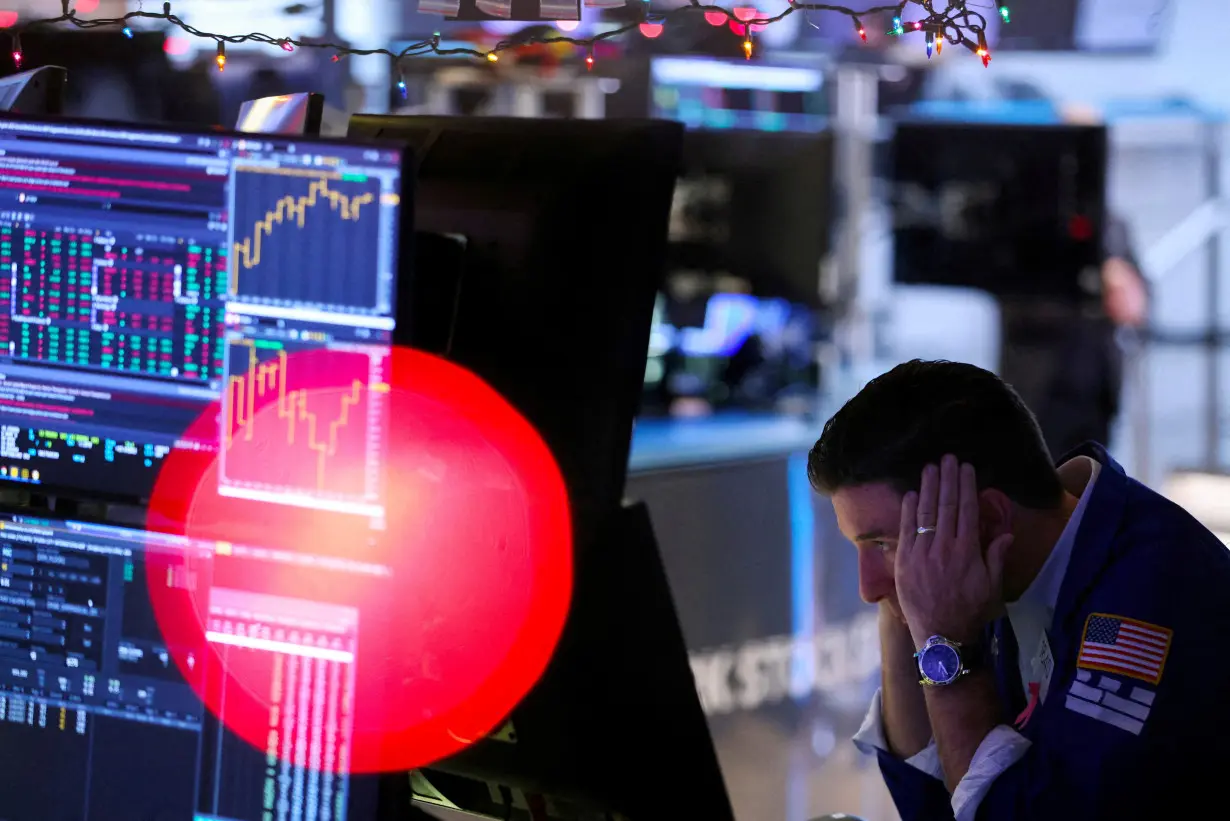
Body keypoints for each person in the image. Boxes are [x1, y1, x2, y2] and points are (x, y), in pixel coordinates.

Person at [806, 359, 1230, 820]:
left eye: (884, 544)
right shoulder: (1014, 564)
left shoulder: (1141, 599)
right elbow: (932, 806)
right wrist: (903, 607)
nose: (866, 588)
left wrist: (947, 647)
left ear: (987, 519)